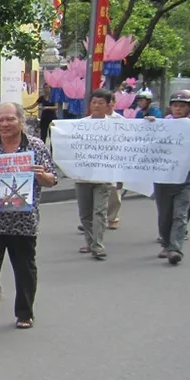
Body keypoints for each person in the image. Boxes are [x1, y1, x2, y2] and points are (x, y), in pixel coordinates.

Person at [0, 102, 59, 332]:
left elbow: (53, 178)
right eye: (0, 120)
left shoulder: (36, 146)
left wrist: (42, 176)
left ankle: (24, 312)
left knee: (24, 269)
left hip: (23, 223)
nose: (4, 124)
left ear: (21, 121)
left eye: (10, 119)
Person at [153, 91, 190, 264]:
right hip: (164, 175)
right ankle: (166, 242)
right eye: (175, 105)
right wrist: (148, 126)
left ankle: (175, 249)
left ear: (189, 108)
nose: (178, 109)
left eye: (182, 106)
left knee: (181, 214)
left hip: (187, 175)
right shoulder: (163, 124)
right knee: (165, 215)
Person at [72, 89, 115, 260]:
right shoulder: (80, 124)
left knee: (99, 211)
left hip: (103, 175)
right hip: (83, 175)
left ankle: (98, 245)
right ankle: (90, 242)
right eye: (94, 102)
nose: (96, 106)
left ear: (108, 105)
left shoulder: (116, 125)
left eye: (101, 103)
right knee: (85, 212)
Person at [105, 94, 125, 228]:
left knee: (114, 190)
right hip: (96, 159)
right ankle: (94, 219)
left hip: (115, 158)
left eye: (107, 102)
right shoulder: (91, 120)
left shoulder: (120, 120)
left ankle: (113, 217)